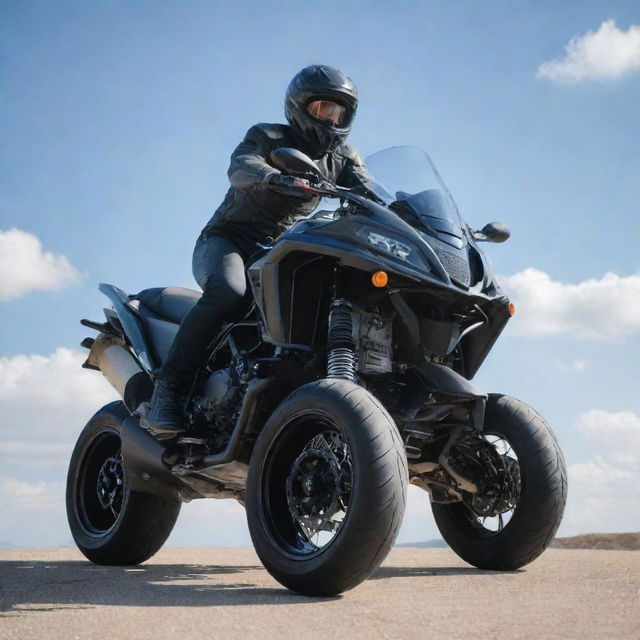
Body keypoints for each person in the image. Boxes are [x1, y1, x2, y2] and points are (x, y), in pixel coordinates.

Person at [143, 64, 374, 439]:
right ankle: (168, 391)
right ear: (298, 108)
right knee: (230, 292)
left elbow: (371, 190)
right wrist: (273, 177)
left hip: (280, 250)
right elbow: (241, 166)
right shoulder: (267, 136)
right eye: (321, 109)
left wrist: (407, 211)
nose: (330, 118)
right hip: (228, 240)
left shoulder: (344, 158)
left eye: (338, 112)